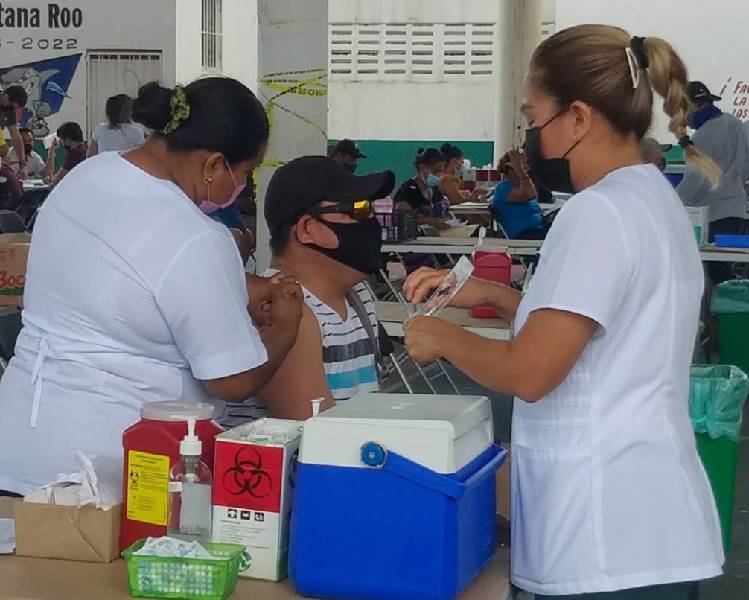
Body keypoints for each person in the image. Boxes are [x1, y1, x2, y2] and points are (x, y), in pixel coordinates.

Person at [403, 26, 722, 599]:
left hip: (601, 537)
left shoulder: (597, 214)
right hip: (651, 528)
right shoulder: (651, 198)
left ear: (578, 118)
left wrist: (439, 337)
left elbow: (531, 373)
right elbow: (609, 334)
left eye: (536, 118)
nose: (533, 138)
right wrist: (501, 300)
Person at [0, 77, 303, 497]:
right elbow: (231, 380)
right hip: (107, 475)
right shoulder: (196, 235)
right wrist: (286, 328)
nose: (239, 190)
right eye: (245, 174)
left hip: (18, 443)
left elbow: (117, 274)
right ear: (214, 164)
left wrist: (231, 285)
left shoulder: (87, 176)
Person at [257, 156, 394, 419]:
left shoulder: (358, 296)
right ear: (307, 228)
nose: (370, 220)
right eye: (357, 209)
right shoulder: (284, 310)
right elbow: (318, 440)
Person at [677, 81, 749, 243]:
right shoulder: (734, 122)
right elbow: (747, 162)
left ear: (695, 106)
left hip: (712, 215)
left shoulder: (703, 135)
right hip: (736, 210)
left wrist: (672, 202)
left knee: (712, 266)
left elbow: (694, 179)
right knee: (728, 264)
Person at [394, 147, 452, 229]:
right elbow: (401, 218)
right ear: (422, 167)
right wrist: (429, 221)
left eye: (441, 172)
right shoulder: (409, 190)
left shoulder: (434, 189)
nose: (439, 175)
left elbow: (444, 211)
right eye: (436, 171)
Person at [493, 149, 544, 239]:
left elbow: (534, 195)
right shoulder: (503, 189)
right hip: (525, 234)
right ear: (510, 170)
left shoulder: (523, 186)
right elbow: (530, 195)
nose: (527, 169)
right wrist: (519, 168)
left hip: (538, 230)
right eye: (524, 167)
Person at [437, 142, 487, 206]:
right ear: (454, 160)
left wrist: (461, 192)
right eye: (461, 161)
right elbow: (459, 203)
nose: (462, 164)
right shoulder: (448, 179)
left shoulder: (444, 177)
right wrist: (475, 193)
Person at [43, 122, 88, 187]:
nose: (61, 143)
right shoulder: (86, 148)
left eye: (61, 139)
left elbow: (58, 178)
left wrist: (50, 180)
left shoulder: (75, 154)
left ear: (68, 140)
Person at [0, 84, 29, 178]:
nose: (10, 109)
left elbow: (16, 137)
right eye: (11, 106)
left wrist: (23, 164)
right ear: (6, 96)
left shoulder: (9, 110)